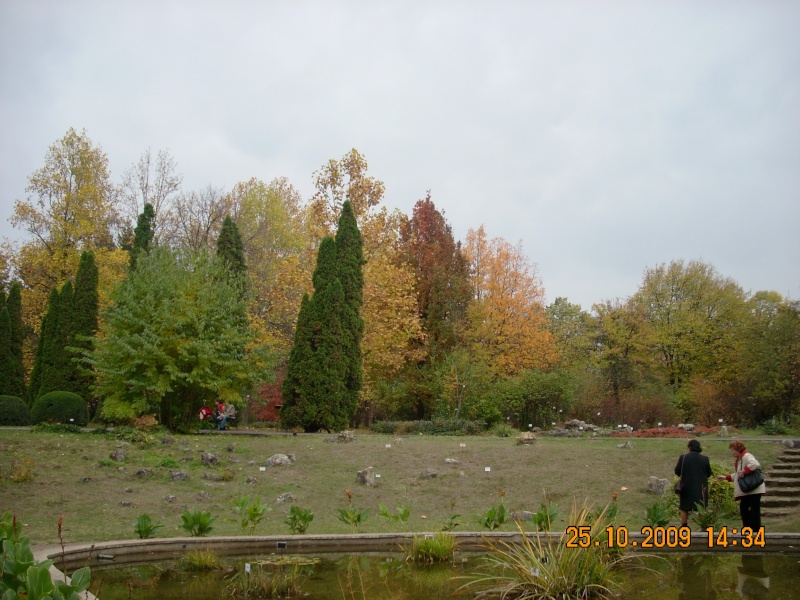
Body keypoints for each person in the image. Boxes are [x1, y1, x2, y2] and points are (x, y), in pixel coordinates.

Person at [718, 440, 766, 530]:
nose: (732, 453)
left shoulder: (747, 456)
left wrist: (745, 470)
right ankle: (748, 528)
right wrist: (726, 477)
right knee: (744, 508)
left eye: (733, 450)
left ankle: (754, 529)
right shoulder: (740, 459)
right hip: (748, 489)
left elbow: (755, 464)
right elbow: (738, 474)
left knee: (752, 509)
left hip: (753, 489)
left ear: (737, 449)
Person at [674, 439, 712, 528]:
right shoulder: (705, 459)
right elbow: (709, 473)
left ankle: (684, 526)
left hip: (686, 486)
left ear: (689, 447)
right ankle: (703, 526)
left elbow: (677, 471)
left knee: (684, 507)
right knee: (701, 507)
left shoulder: (683, 458)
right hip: (701, 486)